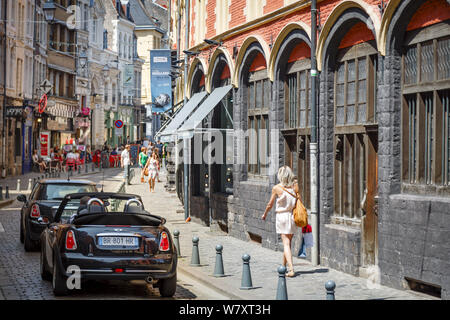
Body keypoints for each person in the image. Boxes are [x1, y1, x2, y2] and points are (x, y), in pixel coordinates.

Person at [261, 166, 299, 277]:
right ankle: (284, 266)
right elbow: (298, 199)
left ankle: (291, 269)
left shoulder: (277, 188)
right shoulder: (294, 186)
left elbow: (270, 204)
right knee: (288, 243)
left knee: (286, 244)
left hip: (282, 216)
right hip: (292, 216)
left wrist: (265, 214)